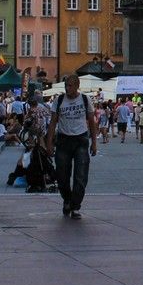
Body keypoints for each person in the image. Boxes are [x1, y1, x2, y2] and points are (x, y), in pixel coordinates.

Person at [47, 75, 98, 219]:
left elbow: (92, 122)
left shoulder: (85, 99)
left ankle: (75, 207)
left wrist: (94, 143)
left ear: (77, 86)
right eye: (66, 86)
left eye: (70, 86)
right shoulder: (59, 100)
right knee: (61, 176)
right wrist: (49, 143)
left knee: (81, 176)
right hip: (63, 141)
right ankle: (67, 200)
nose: (67, 88)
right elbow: (52, 123)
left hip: (81, 140)